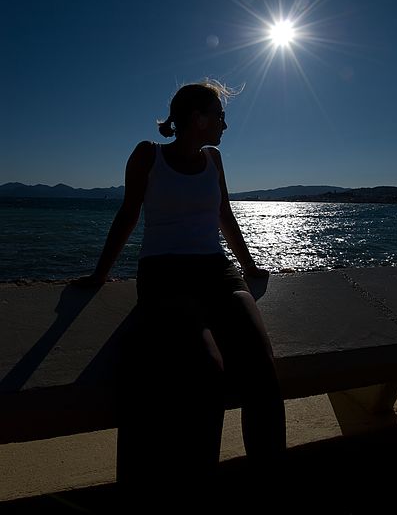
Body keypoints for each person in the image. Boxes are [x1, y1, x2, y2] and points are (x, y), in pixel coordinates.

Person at [75, 79, 286, 505]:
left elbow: (224, 215)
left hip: (217, 271)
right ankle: (197, 491)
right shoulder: (147, 156)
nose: (225, 125)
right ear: (198, 119)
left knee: (262, 367)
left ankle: (271, 488)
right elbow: (128, 216)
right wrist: (100, 274)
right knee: (208, 370)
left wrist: (247, 267)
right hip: (165, 274)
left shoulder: (215, 160)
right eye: (220, 116)